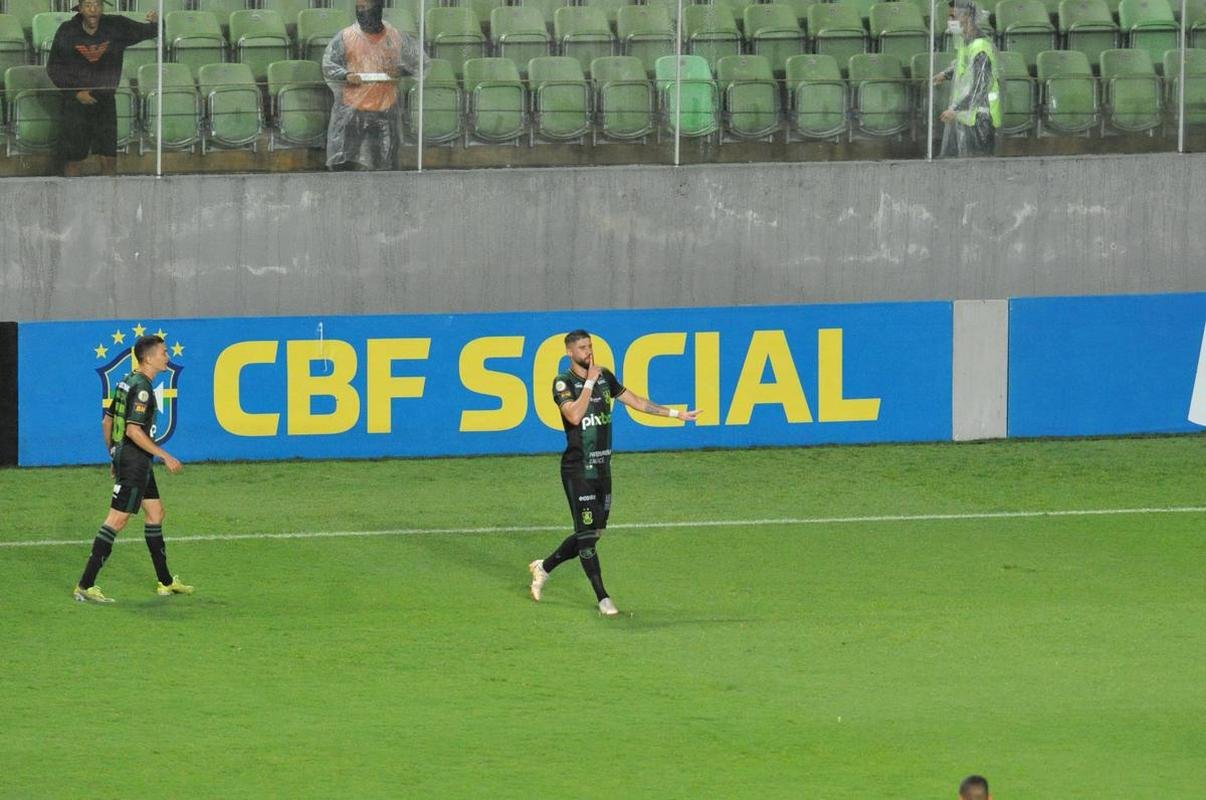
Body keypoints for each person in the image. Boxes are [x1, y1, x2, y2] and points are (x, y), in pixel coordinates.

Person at [528, 330, 700, 616]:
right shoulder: (563, 382)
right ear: (570, 352)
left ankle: (544, 567)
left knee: (593, 534)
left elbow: (636, 401)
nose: (588, 351)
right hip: (577, 469)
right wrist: (588, 385)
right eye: (582, 347)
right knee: (585, 537)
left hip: (602, 468)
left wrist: (675, 414)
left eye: (590, 346)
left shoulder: (605, 376)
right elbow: (573, 415)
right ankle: (603, 599)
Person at [73, 335, 192, 603]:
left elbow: (107, 421)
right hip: (136, 461)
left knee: (156, 512)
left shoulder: (126, 381)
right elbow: (133, 430)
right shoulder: (142, 389)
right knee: (117, 519)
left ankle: (165, 582)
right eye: (163, 353)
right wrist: (165, 455)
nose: (167, 357)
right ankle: (85, 584)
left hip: (131, 460)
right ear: (148, 358)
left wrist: (114, 455)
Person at [45, 0, 158, 177]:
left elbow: (150, 31)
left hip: (105, 102)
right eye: (88, 5)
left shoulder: (116, 25)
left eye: (97, 4)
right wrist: (75, 93)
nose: (93, 9)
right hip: (76, 104)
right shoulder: (67, 30)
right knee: (74, 158)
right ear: (80, 8)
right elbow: (54, 68)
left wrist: (155, 22)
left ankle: (109, 202)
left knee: (109, 157)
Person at [322, 0, 428, 171]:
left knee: (386, 165)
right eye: (359, 8)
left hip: (386, 111)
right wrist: (347, 75)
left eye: (365, 7)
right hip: (353, 113)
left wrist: (401, 71)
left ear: (377, 8)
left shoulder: (395, 37)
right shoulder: (346, 36)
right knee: (348, 167)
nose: (361, 12)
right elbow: (329, 65)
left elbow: (420, 63)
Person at [933, 0, 1001, 157]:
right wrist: (946, 74)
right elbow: (963, 64)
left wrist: (955, 109)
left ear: (968, 17)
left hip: (980, 119)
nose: (950, 21)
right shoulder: (968, 43)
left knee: (979, 168)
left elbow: (979, 87)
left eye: (953, 16)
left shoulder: (981, 47)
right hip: (968, 116)